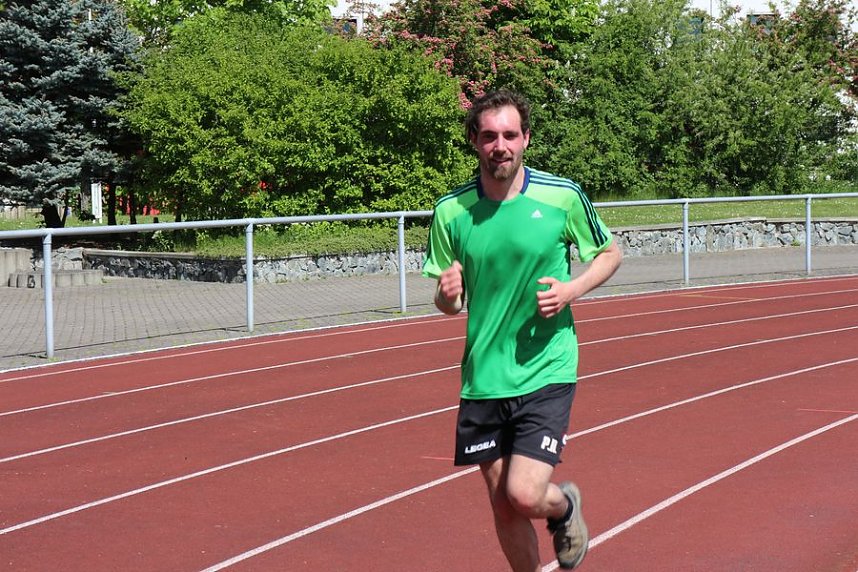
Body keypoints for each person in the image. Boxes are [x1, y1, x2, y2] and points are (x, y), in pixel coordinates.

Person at [422, 89, 622, 571]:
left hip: (546, 368)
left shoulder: (561, 196)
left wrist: (572, 290)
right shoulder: (452, 212)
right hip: (483, 376)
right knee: (502, 505)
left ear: (526, 139)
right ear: (474, 141)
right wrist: (448, 297)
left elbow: (610, 253)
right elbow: (447, 302)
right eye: (489, 136)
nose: (500, 146)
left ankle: (564, 506)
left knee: (525, 494)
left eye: (510, 135)